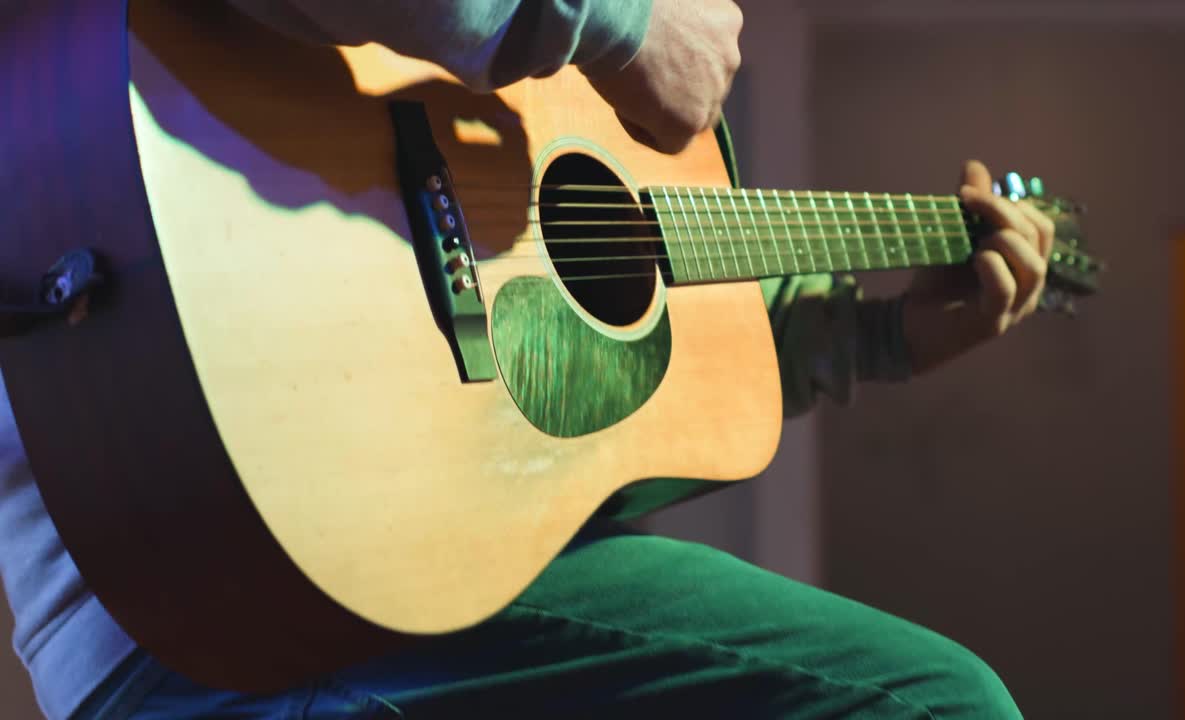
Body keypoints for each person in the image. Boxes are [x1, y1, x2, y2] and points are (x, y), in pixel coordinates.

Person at [0, 0, 1056, 717]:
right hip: (232, 593)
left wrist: (881, 336)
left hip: (354, 569)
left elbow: (609, 343)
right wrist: (616, 23)